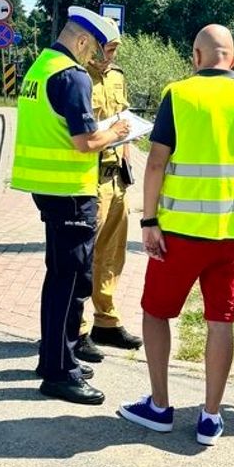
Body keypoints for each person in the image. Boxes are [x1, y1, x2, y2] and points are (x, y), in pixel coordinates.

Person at [118, 25, 234, 445]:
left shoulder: (180, 94)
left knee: (156, 312)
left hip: (181, 234)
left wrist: (149, 221)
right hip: (233, 235)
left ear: (196, 56)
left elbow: (156, 163)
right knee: (220, 321)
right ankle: (210, 417)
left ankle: (159, 406)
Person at [11, 6, 130, 405]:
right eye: (94, 48)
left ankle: (54, 359)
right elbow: (85, 141)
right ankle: (61, 372)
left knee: (60, 277)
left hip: (47, 189)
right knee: (70, 283)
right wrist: (115, 131)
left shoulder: (39, 67)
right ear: (81, 40)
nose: (95, 57)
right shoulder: (71, 75)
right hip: (70, 191)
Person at [76, 27, 143, 362]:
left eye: (116, 50)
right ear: (92, 45)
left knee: (112, 255)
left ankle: (106, 321)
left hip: (117, 177)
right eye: (108, 49)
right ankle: (77, 329)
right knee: (83, 258)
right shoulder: (77, 77)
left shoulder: (117, 76)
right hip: (90, 179)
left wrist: (128, 166)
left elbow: (123, 123)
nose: (111, 56)